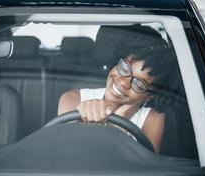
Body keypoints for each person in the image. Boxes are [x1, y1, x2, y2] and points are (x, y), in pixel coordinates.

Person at [57, 25, 181, 153]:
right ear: (117, 61)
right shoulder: (73, 99)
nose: (123, 82)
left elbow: (144, 169)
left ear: (149, 95)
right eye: (124, 67)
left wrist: (117, 125)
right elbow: (67, 158)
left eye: (138, 84)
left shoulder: (152, 118)